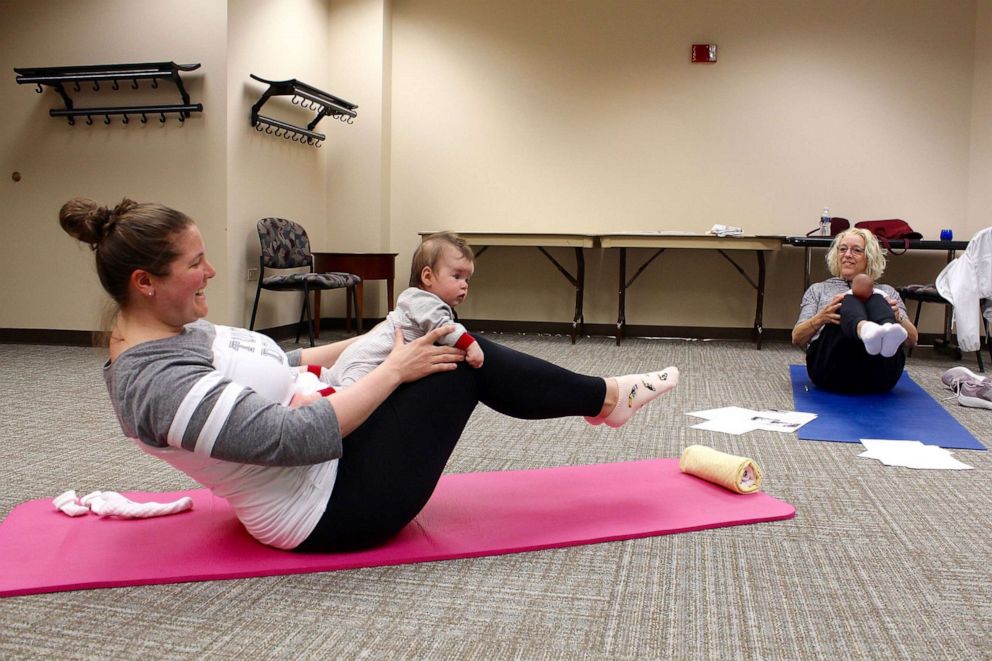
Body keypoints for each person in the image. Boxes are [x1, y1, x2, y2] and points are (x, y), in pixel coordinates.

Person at [60, 197, 679, 553]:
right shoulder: (155, 383)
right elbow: (290, 437)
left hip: (328, 463)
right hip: (326, 510)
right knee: (458, 362)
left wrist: (381, 341)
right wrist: (396, 370)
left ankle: (604, 398)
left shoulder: (174, 332)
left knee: (432, 344)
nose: (212, 272)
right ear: (145, 283)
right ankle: (605, 398)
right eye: (196, 264)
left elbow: (283, 363)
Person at [326, 232, 484, 389]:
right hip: (370, 360)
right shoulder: (425, 302)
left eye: (467, 279)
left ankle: (318, 377)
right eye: (457, 276)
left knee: (331, 376)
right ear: (427, 276)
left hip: (356, 356)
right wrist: (471, 345)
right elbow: (445, 329)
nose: (464, 285)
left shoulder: (414, 298)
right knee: (352, 393)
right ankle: (323, 394)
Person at [792, 228, 918, 393]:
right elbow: (797, 337)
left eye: (856, 250)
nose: (847, 255)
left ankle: (884, 328)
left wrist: (897, 317)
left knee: (876, 297)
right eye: (843, 249)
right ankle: (865, 329)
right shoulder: (818, 290)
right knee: (847, 299)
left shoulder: (887, 292)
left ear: (869, 257)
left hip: (880, 373)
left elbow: (912, 340)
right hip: (832, 369)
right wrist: (821, 318)